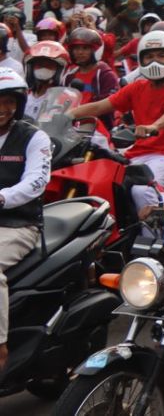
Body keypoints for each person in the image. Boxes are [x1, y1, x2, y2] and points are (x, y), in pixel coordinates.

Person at [69, 30, 164, 208]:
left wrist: (154, 126)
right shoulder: (137, 87)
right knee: (98, 181)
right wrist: (65, 115)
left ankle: (155, 233)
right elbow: (100, 106)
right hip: (135, 155)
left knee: (142, 190)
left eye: (161, 56)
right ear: (141, 59)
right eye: (149, 57)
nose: (155, 61)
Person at [0, 70, 51, 374]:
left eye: (9, 102)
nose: (3, 108)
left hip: (17, 226)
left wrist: (2, 197)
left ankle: (1, 348)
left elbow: (36, 182)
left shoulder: (33, 137)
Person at [65, 25, 120, 102]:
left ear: (95, 51)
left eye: (85, 48)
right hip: (71, 114)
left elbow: (110, 105)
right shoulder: (69, 76)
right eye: (76, 48)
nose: (80, 52)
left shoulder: (106, 76)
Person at [21, 40, 69, 119]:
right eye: (39, 65)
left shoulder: (65, 98)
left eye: (49, 65)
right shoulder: (23, 96)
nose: (43, 68)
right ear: (31, 68)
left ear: (58, 70)